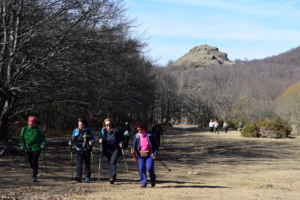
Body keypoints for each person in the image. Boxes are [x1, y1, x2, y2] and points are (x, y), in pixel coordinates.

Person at [20, 116, 47, 182]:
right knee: (30, 161)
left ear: (35, 123)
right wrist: (22, 145)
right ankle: (34, 170)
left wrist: (43, 144)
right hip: (28, 148)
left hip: (36, 148)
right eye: (30, 122)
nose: (31, 123)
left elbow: (43, 139)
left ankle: (34, 176)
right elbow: (21, 138)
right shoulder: (24, 129)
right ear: (28, 122)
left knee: (34, 161)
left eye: (33, 122)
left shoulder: (38, 130)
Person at [132, 123, 159, 188]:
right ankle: (143, 182)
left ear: (144, 129)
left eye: (140, 129)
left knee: (149, 168)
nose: (139, 131)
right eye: (138, 130)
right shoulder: (136, 136)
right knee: (141, 168)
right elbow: (133, 146)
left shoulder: (150, 136)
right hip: (140, 155)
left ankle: (152, 180)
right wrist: (134, 154)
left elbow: (156, 146)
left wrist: (155, 153)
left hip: (149, 155)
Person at [99, 118, 124, 184]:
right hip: (107, 149)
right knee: (110, 163)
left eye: (109, 124)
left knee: (113, 162)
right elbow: (100, 137)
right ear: (104, 125)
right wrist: (100, 140)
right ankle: (111, 177)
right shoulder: (103, 131)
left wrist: (121, 143)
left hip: (115, 149)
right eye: (107, 125)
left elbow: (120, 138)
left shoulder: (116, 130)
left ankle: (112, 177)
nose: (108, 126)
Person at [69, 118, 95, 183]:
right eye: (79, 124)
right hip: (78, 148)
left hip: (87, 148)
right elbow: (72, 138)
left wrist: (91, 142)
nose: (80, 126)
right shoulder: (75, 130)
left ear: (84, 124)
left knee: (87, 163)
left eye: (81, 124)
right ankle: (78, 177)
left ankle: (87, 177)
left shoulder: (88, 130)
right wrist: (70, 142)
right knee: (79, 163)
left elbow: (93, 138)